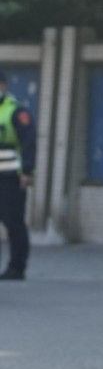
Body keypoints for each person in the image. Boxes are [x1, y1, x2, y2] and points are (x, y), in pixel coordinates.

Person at [0, 70, 36, 281]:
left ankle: (17, 267)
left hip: (10, 177)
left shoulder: (16, 111)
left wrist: (28, 171)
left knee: (13, 223)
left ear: (4, 85)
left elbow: (29, 143)